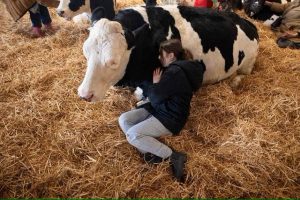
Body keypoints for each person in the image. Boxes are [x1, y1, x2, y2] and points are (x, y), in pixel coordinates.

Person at [118, 39, 205, 182]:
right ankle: (149, 151)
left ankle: (173, 155)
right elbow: (157, 98)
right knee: (124, 119)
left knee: (133, 135)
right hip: (159, 109)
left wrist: (155, 84)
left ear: (171, 56)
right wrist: (156, 89)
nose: (159, 58)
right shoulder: (176, 70)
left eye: (162, 54)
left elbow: (156, 97)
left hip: (170, 117)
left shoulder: (175, 72)